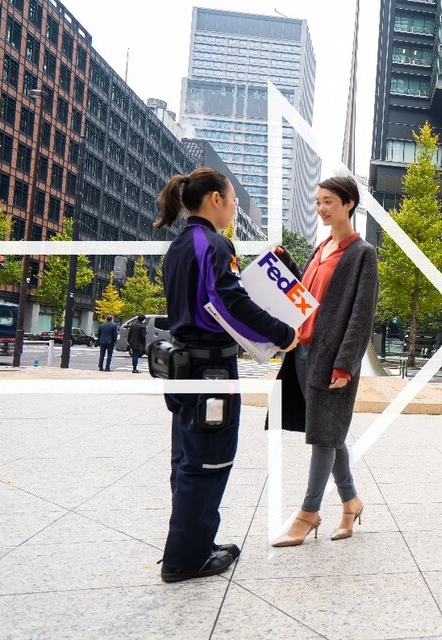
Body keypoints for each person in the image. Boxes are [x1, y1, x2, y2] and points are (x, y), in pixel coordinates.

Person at [154, 168, 300, 582]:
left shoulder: (180, 246)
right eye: (233, 199)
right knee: (209, 463)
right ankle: (185, 560)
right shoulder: (215, 244)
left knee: (187, 459)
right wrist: (282, 333)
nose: (234, 207)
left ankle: (195, 543)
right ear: (215, 199)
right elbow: (227, 298)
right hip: (210, 371)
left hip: (184, 368)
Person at [270, 176, 378, 548]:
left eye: (329, 201)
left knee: (322, 435)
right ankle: (351, 503)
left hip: (331, 358)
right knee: (329, 432)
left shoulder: (361, 253)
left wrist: (346, 364)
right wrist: (288, 265)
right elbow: (308, 294)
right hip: (302, 351)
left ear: (349, 204)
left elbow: (361, 315)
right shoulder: (322, 248)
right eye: (318, 201)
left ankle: (308, 513)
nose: (321, 208)